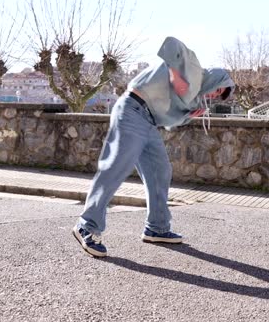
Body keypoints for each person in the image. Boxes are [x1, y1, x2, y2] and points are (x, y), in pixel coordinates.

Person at [73, 37, 235, 258]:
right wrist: (175, 74)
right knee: (118, 165)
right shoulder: (193, 68)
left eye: (218, 96)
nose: (214, 95)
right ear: (217, 79)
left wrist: (188, 115)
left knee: (161, 170)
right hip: (132, 108)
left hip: (148, 122)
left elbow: (168, 121)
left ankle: (157, 228)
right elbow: (171, 44)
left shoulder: (193, 98)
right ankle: (87, 225)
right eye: (218, 90)